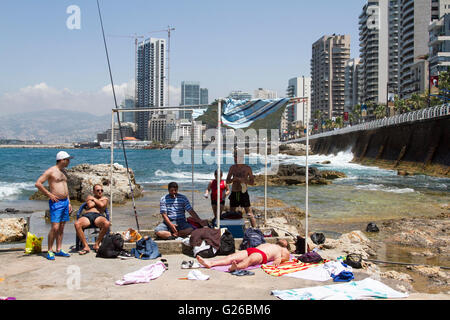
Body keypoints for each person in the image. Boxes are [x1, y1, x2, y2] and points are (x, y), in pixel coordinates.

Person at [35, 151, 74, 260]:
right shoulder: (51, 171)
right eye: (68, 160)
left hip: (65, 202)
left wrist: (69, 202)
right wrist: (49, 194)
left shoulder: (64, 171)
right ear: (62, 160)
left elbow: (66, 188)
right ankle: (50, 250)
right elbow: (38, 183)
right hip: (56, 203)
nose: (69, 162)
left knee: (61, 227)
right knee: (55, 227)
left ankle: (59, 249)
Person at [196, 240, 291, 272]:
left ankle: (236, 267)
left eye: (284, 241)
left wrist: (278, 260)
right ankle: (211, 263)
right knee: (231, 257)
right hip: (253, 249)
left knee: (249, 260)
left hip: (262, 255)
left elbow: (285, 257)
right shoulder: (271, 244)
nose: (282, 240)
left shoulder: (283, 249)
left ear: (286, 244)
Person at [74, 184, 110, 255]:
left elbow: (102, 205)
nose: (100, 192)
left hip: (98, 216)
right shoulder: (89, 197)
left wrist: (93, 199)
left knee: (107, 223)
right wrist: (98, 201)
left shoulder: (105, 198)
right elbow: (90, 205)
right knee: (77, 224)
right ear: (93, 191)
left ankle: (96, 244)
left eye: (101, 190)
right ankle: (86, 246)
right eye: (98, 190)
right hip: (87, 215)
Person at [226, 150, 257, 227]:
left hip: (243, 192)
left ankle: (255, 229)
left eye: (236, 157)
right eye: (234, 157)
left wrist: (244, 180)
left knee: (249, 213)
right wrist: (233, 179)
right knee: (232, 212)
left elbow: (252, 182)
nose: (235, 159)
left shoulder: (247, 168)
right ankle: (232, 229)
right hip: (234, 191)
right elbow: (227, 181)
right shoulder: (232, 168)